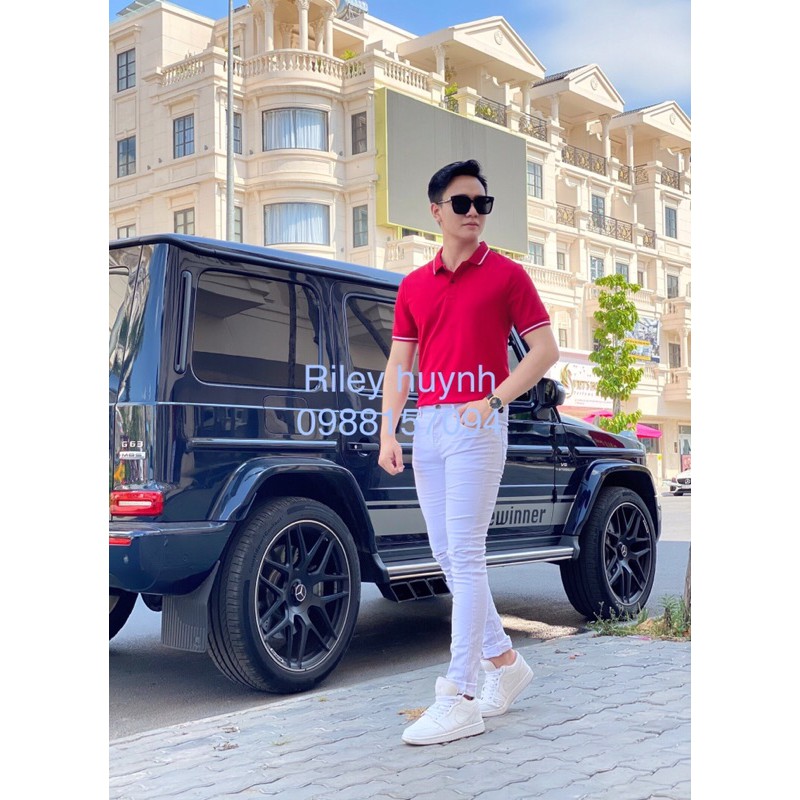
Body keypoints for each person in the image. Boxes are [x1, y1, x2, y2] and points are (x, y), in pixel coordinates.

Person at [378, 159, 559, 746]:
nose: (475, 212)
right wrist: (388, 431)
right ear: (436, 211)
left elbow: (545, 351)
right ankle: (505, 664)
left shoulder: (506, 275)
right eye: (462, 203)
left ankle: (458, 694)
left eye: (483, 203)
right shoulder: (414, 285)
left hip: (477, 423)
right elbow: (400, 363)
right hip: (428, 425)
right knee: (446, 554)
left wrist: (495, 399)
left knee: (466, 553)